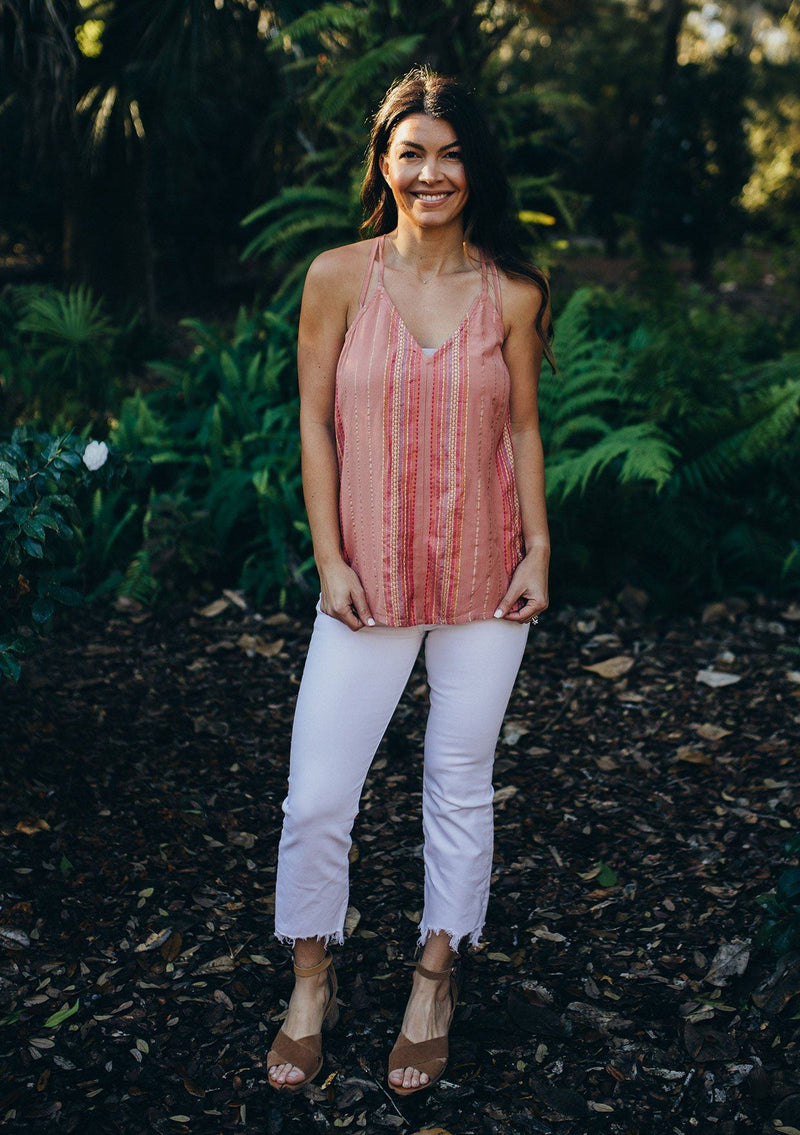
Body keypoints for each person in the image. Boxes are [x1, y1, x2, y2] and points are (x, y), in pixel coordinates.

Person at [266, 64, 556, 1097]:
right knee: (316, 797)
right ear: (382, 165)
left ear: (474, 169)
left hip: (486, 577)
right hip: (367, 581)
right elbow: (312, 418)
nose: (430, 172)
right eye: (410, 153)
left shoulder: (512, 293)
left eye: (450, 153)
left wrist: (536, 547)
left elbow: (519, 425)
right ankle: (312, 978)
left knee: (457, 783)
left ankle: (432, 978)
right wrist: (329, 557)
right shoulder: (336, 277)